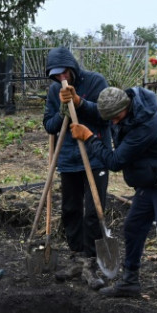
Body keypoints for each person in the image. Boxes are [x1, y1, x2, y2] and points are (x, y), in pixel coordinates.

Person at [66, 86, 157, 313]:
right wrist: (80, 103)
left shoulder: (146, 125)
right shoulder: (123, 108)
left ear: (126, 108)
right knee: (133, 227)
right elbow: (102, 111)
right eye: (110, 118)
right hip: (150, 179)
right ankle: (130, 281)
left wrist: (89, 137)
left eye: (116, 117)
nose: (113, 122)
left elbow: (115, 161)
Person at [43, 47, 110, 289]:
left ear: (72, 69)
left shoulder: (95, 82)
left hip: (95, 156)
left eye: (64, 74)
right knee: (70, 209)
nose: (61, 79)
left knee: (93, 212)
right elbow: (49, 125)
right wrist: (63, 112)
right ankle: (76, 256)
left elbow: (105, 115)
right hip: (69, 159)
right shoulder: (54, 91)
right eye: (56, 76)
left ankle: (91, 261)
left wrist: (79, 103)